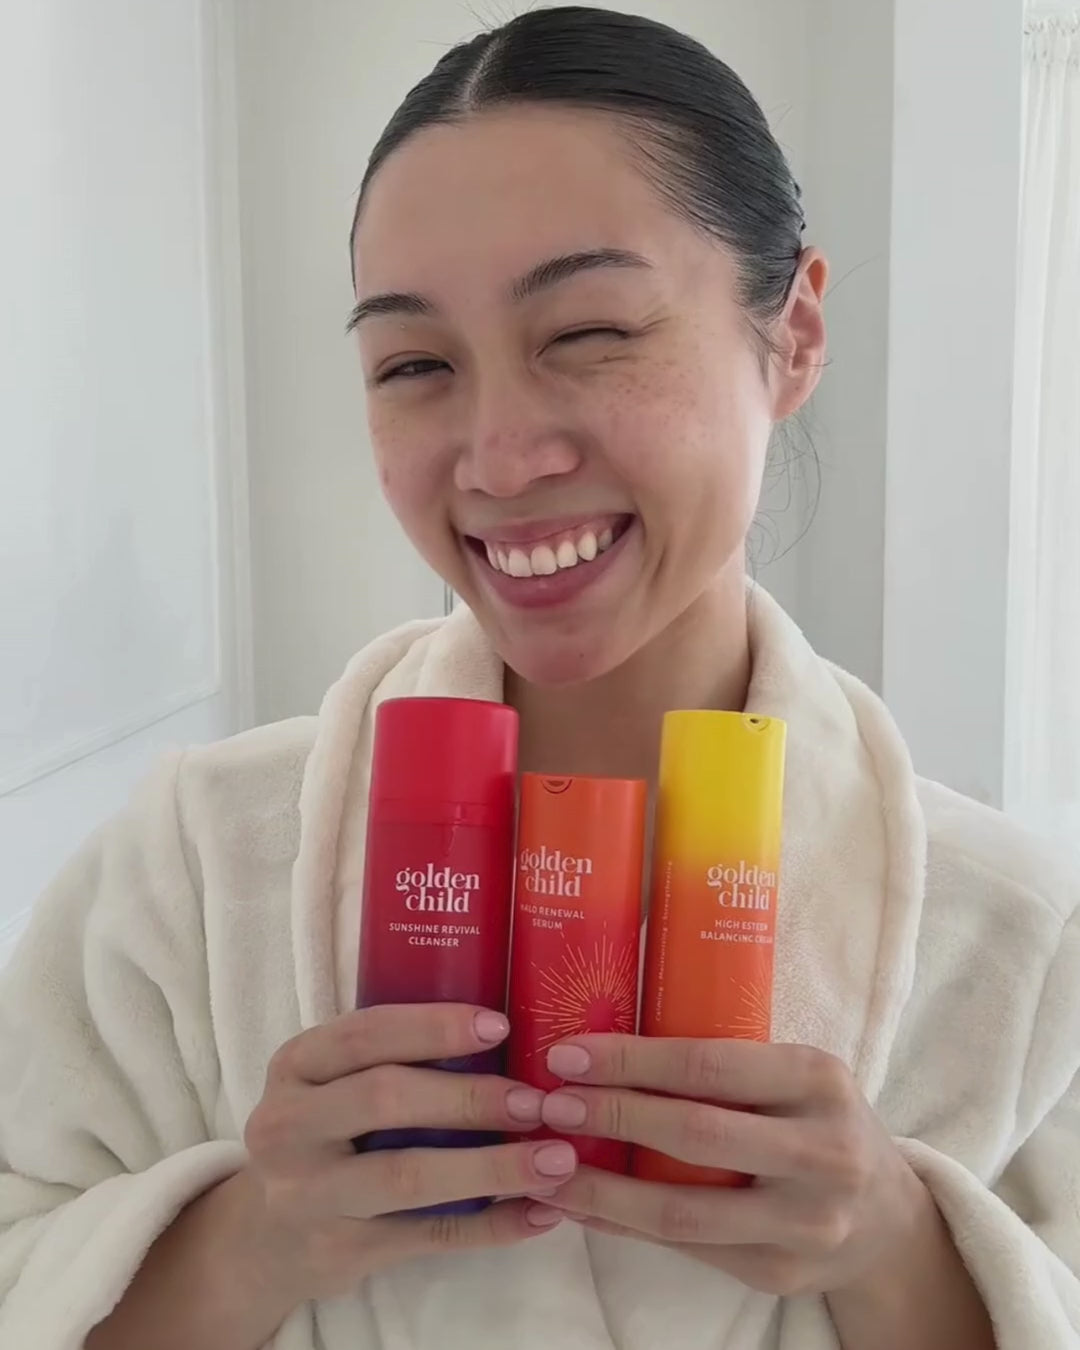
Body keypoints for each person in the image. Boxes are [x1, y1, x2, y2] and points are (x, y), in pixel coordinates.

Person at [1, 7, 1078, 1349]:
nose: (500, 458)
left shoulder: (1015, 938)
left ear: (794, 334)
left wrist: (900, 1251)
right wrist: (247, 1244)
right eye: (414, 364)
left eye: (590, 332)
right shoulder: (198, 870)